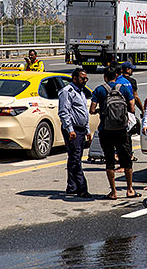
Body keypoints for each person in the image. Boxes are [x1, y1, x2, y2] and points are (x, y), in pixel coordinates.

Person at [89, 66, 139, 200]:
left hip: (106, 130)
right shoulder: (123, 88)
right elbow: (132, 107)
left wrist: (101, 110)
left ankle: (113, 192)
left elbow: (92, 110)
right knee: (127, 160)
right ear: (116, 76)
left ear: (105, 77)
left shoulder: (99, 89)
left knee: (109, 161)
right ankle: (129, 190)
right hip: (122, 130)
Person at [57, 68, 92, 199]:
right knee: (76, 160)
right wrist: (70, 129)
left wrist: (87, 130)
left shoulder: (81, 92)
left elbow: (83, 113)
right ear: (75, 78)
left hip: (81, 129)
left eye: (86, 78)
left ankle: (72, 186)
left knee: (74, 158)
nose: (85, 80)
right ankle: (82, 188)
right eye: (83, 78)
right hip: (73, 130)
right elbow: (64, 112)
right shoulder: (67, 92)